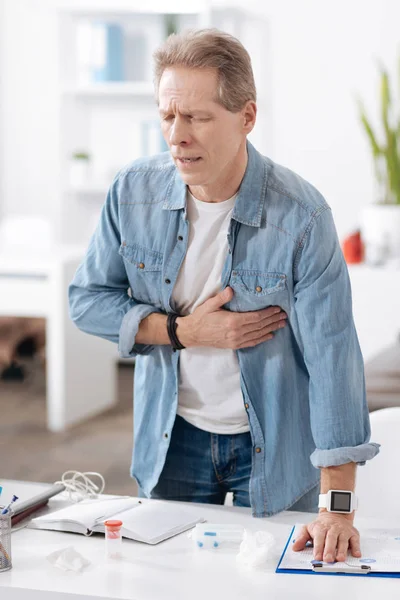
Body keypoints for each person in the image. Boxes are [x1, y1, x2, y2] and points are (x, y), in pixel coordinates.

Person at [69, 29, 379, 564]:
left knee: (285, 583)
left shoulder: (302, 218)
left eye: (198, 117)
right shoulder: (131, 193)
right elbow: (88, 300)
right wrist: (182, 331)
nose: (177, 136)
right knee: (166, 580)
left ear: (247, 117)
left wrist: (338, 507)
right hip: (174, 439)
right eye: (168, 116)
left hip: (278, 446)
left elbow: (334, 362)